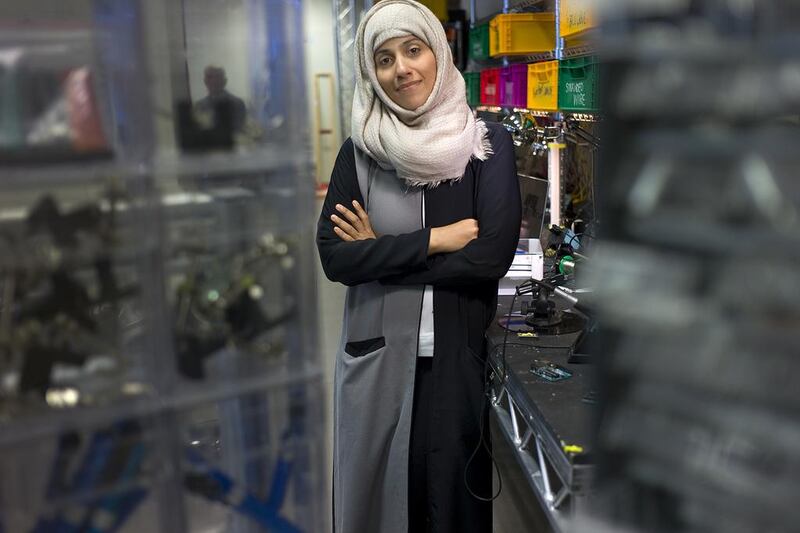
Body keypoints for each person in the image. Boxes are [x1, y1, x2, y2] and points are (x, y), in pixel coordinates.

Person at [316, 1, 521, 532]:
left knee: (453, 509)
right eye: (384, 59)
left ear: (439, 53)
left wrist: (382, 255)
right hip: (377, 362)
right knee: (383, 507)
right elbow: (336, 257)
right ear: (372, 73)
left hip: (454, 363)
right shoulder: (360, 153)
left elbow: (490, 257)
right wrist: (435, 240)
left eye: (413, 50)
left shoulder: (485, 143)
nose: (401, 68)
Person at [194, 65, 247, 132]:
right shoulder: (199, 106)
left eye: (218, 77)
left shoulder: (237, 103)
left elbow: (238, 130)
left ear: (225, 81)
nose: (214, 81)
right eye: (210, 77)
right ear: (205, 81)